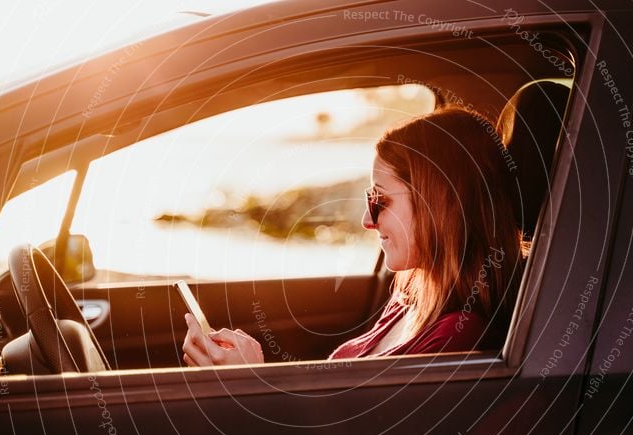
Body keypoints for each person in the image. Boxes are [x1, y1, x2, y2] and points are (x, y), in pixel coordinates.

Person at [182, 106, 523, 367]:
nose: (366, 220)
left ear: (441, 205)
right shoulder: (411, 300)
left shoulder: (456, 338)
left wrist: (249, 381)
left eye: (380, 201)